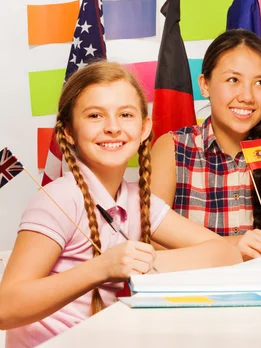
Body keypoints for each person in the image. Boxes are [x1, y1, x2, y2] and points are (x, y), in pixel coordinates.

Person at [0, 62, 242, 347]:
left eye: (126, 114)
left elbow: (224, 253)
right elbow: (5, 307)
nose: (113, 128)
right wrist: (102, 268)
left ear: (144, 128)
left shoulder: (138, 200)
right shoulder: (59, 199)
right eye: (94, 115)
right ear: (67, 131)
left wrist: (143, 263)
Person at [151, 29, 261, 267]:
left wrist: (205, 251)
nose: (247, 96)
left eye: (260, 82)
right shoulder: (172, 148)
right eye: (233, 80)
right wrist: (238, 248)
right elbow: (153, 243)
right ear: (205, 85)